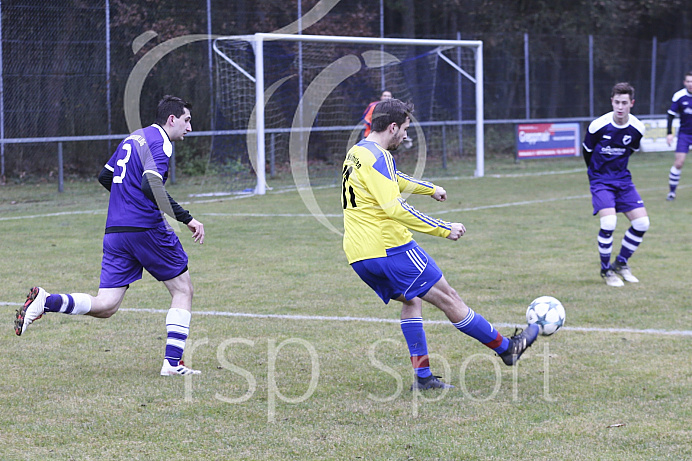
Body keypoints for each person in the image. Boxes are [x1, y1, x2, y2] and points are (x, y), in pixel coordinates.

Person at [341, 98, 538, 391]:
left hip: (360, 255)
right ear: (393, 127)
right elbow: (396, 209)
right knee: (449, 297)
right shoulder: (380, 157)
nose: (406, 136)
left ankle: (423, 378)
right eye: (405, 129)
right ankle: (506, 348)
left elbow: (393, 179)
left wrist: (430, 189)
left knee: (413, 300)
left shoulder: (357, 152)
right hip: (390, 249)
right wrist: (444, 228)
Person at [14, 95, 205, 376]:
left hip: (116, 231)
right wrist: (187, 218)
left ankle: (46, 300)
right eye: (187, 121)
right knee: (183, 289)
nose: (189, 128)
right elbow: (151, 184)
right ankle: (172, 363)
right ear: (172, 119)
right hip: (145, 228)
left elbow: (106, 176)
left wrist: (125, 202)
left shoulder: (134, 138)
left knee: (106, 305)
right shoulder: (160, 142)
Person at [582, 82, 649, 287]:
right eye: (617, 102)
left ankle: (621, 263)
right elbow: (587, 151)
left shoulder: (637, 128)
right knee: (609, 223)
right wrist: (595, 175)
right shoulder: (598, 126)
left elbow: (631, 150)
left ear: (632, 103)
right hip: (601, 180)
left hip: (623, 180)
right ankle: (606, 271)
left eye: (624, 103)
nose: (620, 107)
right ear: (612, 101)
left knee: (642, 223)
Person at [665, 70, 692, 201]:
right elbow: (670, 115)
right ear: (684, 82)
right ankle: (672, 192)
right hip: (685, 134)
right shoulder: (679, 96)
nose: (691, 84)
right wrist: (669, 133)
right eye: (688, 81)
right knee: (679, 162)